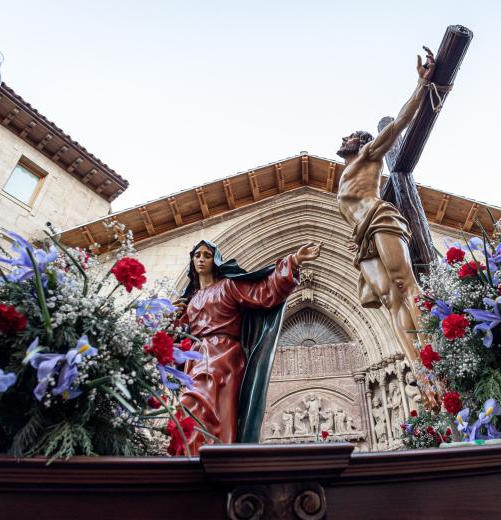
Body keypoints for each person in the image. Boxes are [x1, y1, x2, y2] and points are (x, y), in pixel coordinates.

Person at [174, 239, 321, 454]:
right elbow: (178, 335)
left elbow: (263, 291)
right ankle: (192, 455)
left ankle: (213, 455)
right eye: (197, 255)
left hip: (222, 355)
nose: (201, 260)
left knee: (197, 404)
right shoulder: (191, 300)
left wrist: (295, 261)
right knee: (192, 409)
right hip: (195, 358)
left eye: (207, 255)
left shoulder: (228, 286)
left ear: (215, 261)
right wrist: (172, 317)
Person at [336, 46, 435, 364]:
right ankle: (421, 369)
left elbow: (399, 125)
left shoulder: (368, 156)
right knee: (391, 301)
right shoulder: (346, 175)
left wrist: (421, 86)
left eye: (350, 135)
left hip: (380, 219)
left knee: (406, 285)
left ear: (363, 142)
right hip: (363, 238)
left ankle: (437, 356)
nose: (344, 138)